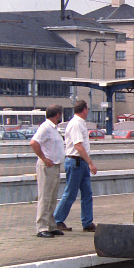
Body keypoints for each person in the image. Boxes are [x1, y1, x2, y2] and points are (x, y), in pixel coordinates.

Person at [53, 100, 98, 232]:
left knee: (87, 193)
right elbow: (78, 146)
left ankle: (87, 222)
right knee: (70, 193)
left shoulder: (79, 123)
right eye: (87, 109)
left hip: (80, 162)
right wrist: (91, 163)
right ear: (84, 110)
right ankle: (57, 219)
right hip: (76, 162)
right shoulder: (76, 124)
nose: (88, 112)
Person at [29, 105, 65, 238]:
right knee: (45, 197)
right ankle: (41, 227)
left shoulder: (54, 129)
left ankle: (50, 225)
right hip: (47, 166)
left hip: (54, 166)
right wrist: (43, 158)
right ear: (57, 115)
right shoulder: (45, 127)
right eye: (60, 114)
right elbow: (34, 142)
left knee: (52, 197)